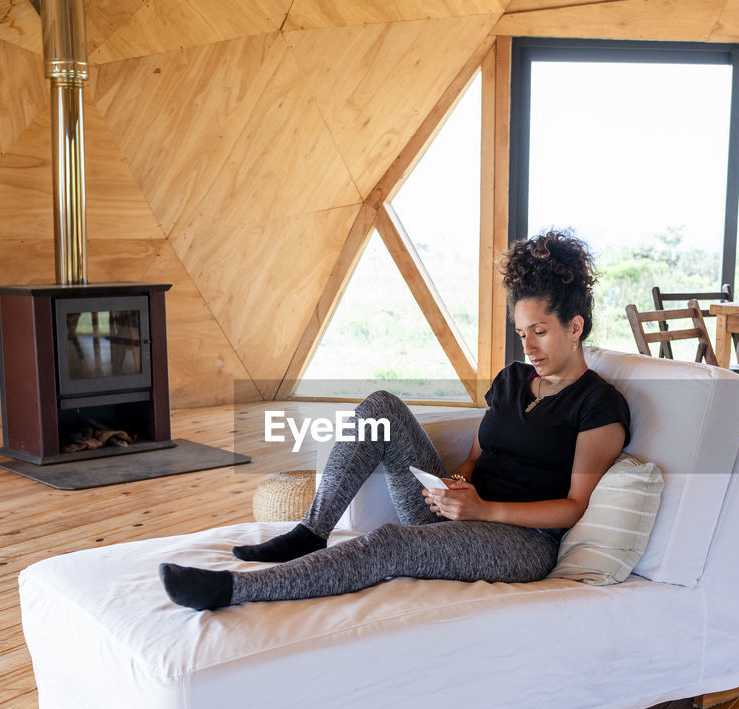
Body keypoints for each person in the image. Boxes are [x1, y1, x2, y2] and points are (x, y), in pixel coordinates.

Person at [160, 230, 631, 611]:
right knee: (380, 406)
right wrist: (454, 484)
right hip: (459, 512)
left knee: (388, 543)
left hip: (521, 541)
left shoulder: (597, 405)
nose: (528, 347)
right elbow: (477, 457)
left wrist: (483, 509)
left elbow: (574, 506)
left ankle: (231, 591)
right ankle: (311, 531)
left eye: (540, 332)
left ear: (574, 327)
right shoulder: (512, 380)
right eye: (521, 333)